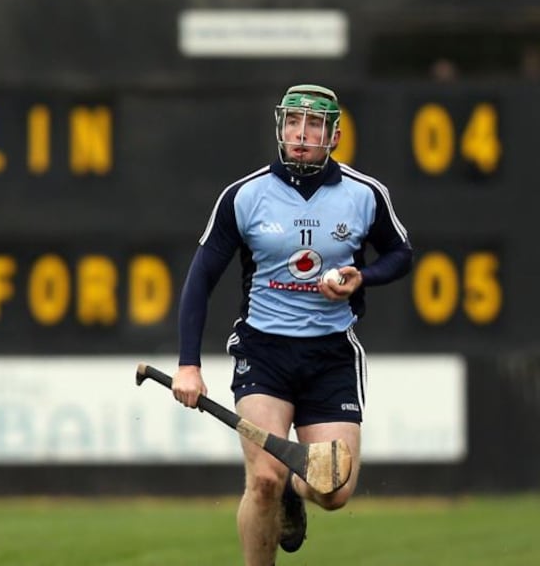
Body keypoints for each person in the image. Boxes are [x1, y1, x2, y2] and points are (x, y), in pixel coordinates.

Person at [171, 84, 414, 565]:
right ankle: (275, 496)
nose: (302, 134)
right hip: (264, 350)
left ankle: (294, 491)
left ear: (335, 135)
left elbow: (401, 255)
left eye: (315, 125)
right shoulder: (245, 196)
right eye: (294, 123)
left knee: (332, 491)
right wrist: (188, 365)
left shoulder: (364, 195)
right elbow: (200, 280)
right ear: (280, 127)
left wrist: (361, 276)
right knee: (263, 479)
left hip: (330, 356)